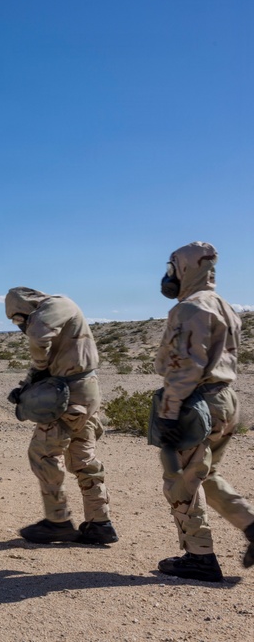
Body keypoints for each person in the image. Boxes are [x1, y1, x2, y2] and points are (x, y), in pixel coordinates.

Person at [152, 241, 253, 582]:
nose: (169, 276)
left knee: (181, 480)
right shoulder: (224, 305)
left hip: (196, 402)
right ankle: (251, 524)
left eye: (173, 268)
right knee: (206, 475)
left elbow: (185, 366)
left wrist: (168, 412)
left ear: (185, 268)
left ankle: (199, 558)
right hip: (225, 399)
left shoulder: (190, 308)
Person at [4, 287, 117, 545]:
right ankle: (100, 522)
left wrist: (40, 368)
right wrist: (28, 384)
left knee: (43, 452)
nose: (19, 325)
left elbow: (40, 336)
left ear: (26, 306)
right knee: (82, 457)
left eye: (18, 318)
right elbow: (51, 355)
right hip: (83, 390)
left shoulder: (55, 305)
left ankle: (58, 521)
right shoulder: (57, 311)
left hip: (69, 394)